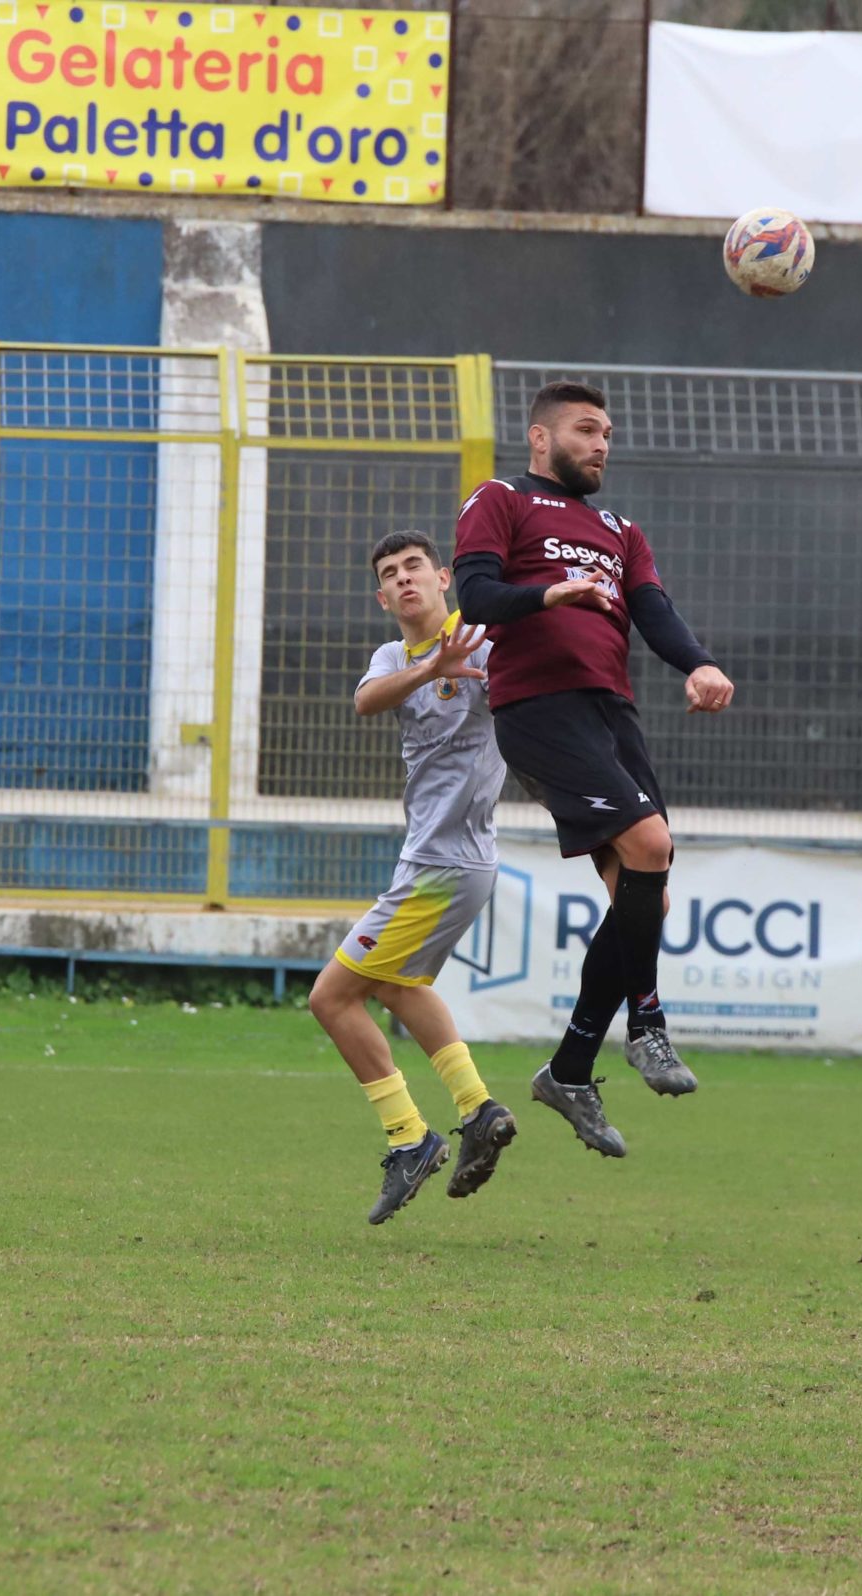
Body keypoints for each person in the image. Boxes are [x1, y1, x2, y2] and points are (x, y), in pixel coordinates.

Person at [452, 381, 736, 1159]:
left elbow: (653, 610)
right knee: (650, 846)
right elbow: (474, 593)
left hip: (612, 712)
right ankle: (646, 1025)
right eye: (586, 430)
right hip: (539, 706)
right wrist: (548, 594)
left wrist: (699, 664)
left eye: (607, 432)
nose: (602, 443)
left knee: (650, 895)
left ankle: (571, 1070)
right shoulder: (502, 499)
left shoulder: (620, 530)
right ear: (541, 438)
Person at [307, 531, 519, 1225]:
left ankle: (409, 1138)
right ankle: (478, 1109)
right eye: (390, 574)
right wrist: (431, 669)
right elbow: (367, 701)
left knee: (331, 998)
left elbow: (527, 696)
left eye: (414, 568)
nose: (404, 579)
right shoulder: (393, 658)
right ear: (381, 596)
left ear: (443, 578)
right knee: (399, 986)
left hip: (446, 864)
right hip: (436, 861)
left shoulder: (483, 642)